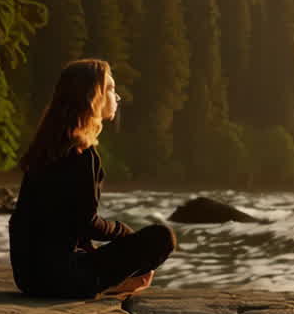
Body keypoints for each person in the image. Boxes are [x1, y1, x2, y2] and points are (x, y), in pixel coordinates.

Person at [9, 58, 176, 299]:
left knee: (93, 254)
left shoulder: (48, 146)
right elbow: (86, 223)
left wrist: (91, 253)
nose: (116, 96)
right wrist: (123, 232)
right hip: (60, 278)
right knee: (162, 237)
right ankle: (107, 285)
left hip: (28, 276)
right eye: (110, 88)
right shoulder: (80, 153)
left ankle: (99, 280)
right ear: (93, 96)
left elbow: (64, 221)